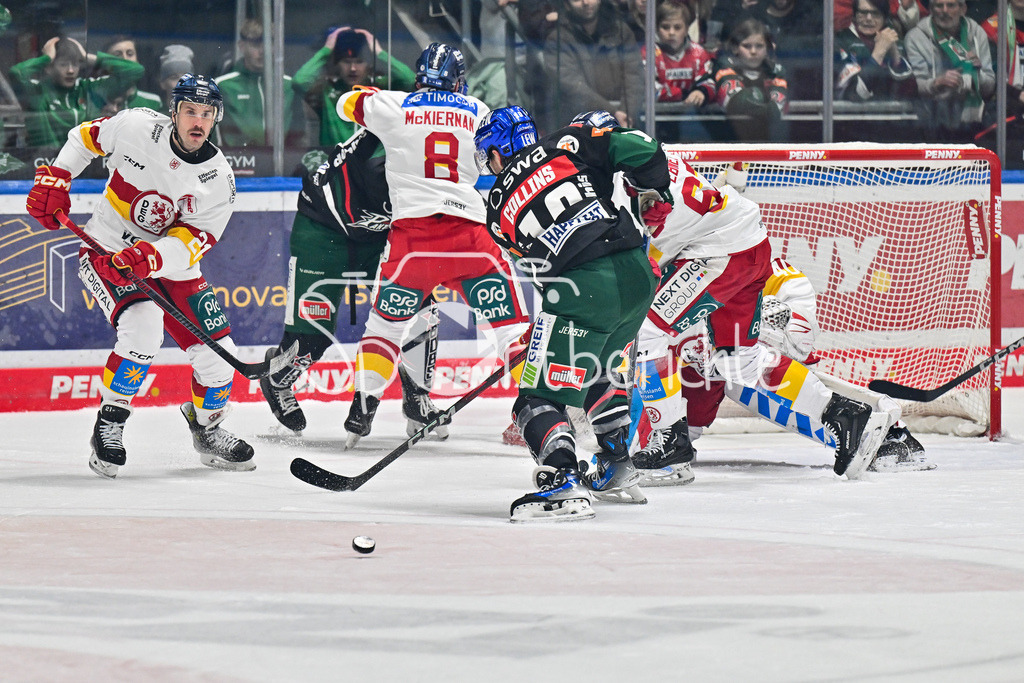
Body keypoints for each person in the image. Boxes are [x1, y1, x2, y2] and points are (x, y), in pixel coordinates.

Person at [618, 136, 895, 486]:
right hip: (749, 245)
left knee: (649, 331)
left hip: (719, 254)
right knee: (740, 362)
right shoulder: (654, 161)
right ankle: (842, 412)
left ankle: (671, 440)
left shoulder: (619, 185)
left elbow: (649, 253)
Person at [25, 74, 254, 478]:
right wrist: (58, 177)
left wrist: (150, 256)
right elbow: (83, 138)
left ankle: (207, 429)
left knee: (221, 359)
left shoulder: (218, 180)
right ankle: (109, 423)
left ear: (216, 118)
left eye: (206, 113)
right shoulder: (135, 127)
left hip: (171, 267)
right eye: (189, 111)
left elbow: (193, 242)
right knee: (144, 328)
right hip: (106, 250)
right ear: (174, 111)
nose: (197, 121)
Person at [474, 105, 673, 522]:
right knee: (599, 369)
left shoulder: (493, 209)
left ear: (495, 153)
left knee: (535, 400)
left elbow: (542, 268)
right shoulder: (566, 144)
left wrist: (549, 327)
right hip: (638, 277)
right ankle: (617, 463)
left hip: (582, 288)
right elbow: (644, 148)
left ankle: (563, 480)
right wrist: (656, 192)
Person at [335, 42, 530, 447]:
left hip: (412, 244)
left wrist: (374, 99)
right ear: (459, 81)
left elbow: (344, 104)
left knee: (385, 328)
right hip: (471, 240)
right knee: (512, 331)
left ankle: (364, 401)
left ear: (419, 77)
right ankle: (537, 409)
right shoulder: (477, 110)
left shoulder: (395, 105)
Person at [258, 128, 447, 440]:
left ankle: (417, 398)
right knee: (310, 341)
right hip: (323, 232)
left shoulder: (430, 177)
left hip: (380, 236)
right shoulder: (366, 165)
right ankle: (277, 379)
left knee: (420, 312)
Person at [10, 36, 144, 149]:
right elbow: (16, 73)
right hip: (48, 164)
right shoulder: (38, 91)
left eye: (75, 64)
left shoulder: (88, 88)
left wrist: (86, 56)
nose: (71, 71)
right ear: (49, 68)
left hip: (85, 166)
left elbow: (135, 71)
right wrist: (46, 58)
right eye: (63, 64)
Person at [292, 26, 415, 148]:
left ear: (369, 65)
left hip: (372, 162)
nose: (353, 69)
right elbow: (299, 81)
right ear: (337, 65)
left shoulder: (379, 88)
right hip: (336, 162)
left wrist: (380, 53)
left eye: (359, 62)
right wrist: (326, 51)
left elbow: (410, 81)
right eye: (346, 62)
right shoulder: (327, 89)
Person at [541, 0, 645, 132]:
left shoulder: (621, 31)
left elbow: (634, 75)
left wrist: (627, 114)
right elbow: (573, 88)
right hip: (577, 127)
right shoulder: (557, 39)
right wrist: (611, 114)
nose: (586, 2)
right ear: (566, 5)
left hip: (625, 123)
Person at [905, 0, 995, 141]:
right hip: (932, 122)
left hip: (974, 122)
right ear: (930, 9)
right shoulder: (915, 38)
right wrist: (936, 83)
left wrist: (975, 75)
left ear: (963, 9)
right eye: (939, 6)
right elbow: (915, 87)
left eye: (951, 5)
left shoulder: (978, 34)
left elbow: (990, 87)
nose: (945, 11)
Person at [214, 18, 304, 148]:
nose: (262, 51)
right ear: (242, 46)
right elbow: (222, 134)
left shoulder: (288, 85)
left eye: (268, 45)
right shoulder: (223, 86)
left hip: (283, 162)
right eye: (256, 45)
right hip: (237, 161)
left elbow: (299, 135)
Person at [712, 18, 789, 142]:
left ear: (767, 48)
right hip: (728, 141)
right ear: (735, 48)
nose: (753, 51)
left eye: (759, 46)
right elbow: (736, 103)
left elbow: (776, 111)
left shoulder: (775, 71)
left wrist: (752, 101)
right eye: (747, 46)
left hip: (764, 143)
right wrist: (763, 103)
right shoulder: (725, 66)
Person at [836, 0, 916, 102]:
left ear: (885, 18)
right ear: (854, 16)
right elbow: (854, 94)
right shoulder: (841, 41)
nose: (869, 18)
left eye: (876, 13)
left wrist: (895, 56)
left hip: (893, 115)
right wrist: (878, 53)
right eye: (863, 13)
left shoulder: (898, 42)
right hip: (852, 115)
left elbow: (910, 94)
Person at [649, 0, 715, 105]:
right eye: (665, 27)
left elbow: (709, 82)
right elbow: (649, 90)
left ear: (686, 29)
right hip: (658, 114)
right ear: (657, 29)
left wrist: (701, 91)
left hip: (692, 113)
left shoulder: (698, 53)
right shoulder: (649, 53)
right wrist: (683, 94)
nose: (671, 32)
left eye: (677, 27)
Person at [94, 35, 162, 114]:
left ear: (137, 60)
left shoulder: (153, 102)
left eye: (130, 54)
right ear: (106, 63)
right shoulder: (94, 100)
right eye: (117, 55)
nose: (125, 59)